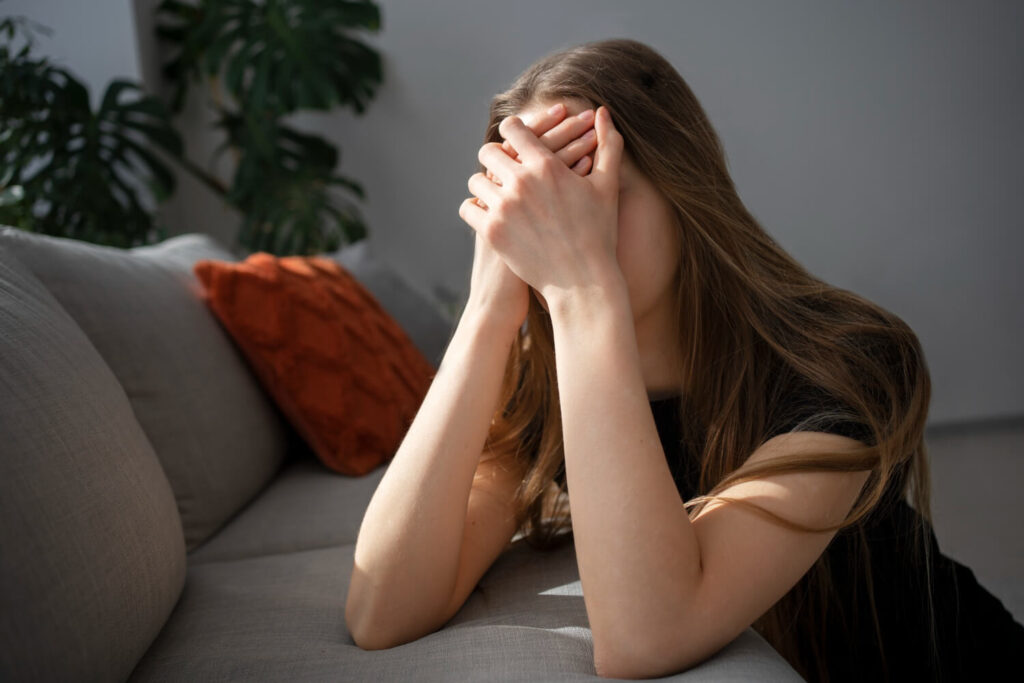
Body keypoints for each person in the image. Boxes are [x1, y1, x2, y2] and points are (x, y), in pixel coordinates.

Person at [345, 38, 1024, 681]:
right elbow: (383, 610)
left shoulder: (847, 363)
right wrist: (487, 311)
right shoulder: (546, 396)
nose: (561, 217)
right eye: (532, 196)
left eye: (585, 177)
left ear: (682, 187)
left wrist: (584, 288)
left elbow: (647, 634)